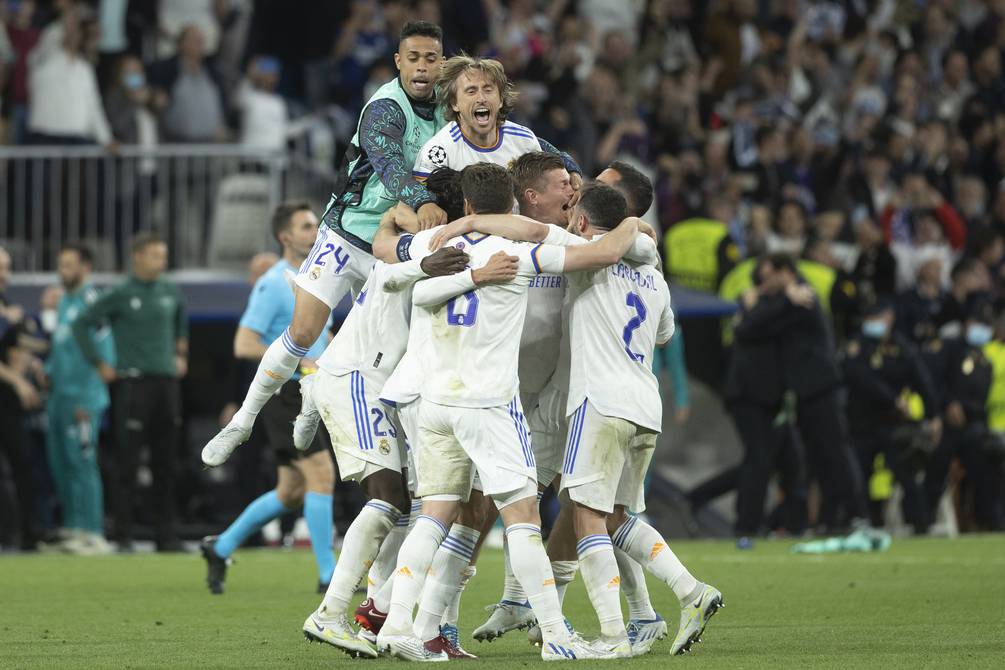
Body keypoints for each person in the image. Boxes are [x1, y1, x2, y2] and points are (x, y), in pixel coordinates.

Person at [374, 167, 641, 662]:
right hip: (490, 403)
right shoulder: (518, 255)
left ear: (468, 208)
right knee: (522, 518)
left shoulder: (437, 246)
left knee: (433, 517)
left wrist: (441, 260)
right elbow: (595, 254)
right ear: (512, 207)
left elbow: (394, 276)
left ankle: (395, 626)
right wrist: (633, 225)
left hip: (435, 403)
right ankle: (557, 634)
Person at [201, 20, 449, 468]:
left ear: (442, 62)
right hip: (344, 231)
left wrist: (560, 161)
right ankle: (243, 419)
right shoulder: (385, 107)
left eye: (431, 58)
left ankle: (317, 391)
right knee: (301, 333)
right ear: (398, 62)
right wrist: (424, 200)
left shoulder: (450, 108)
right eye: (413, 58)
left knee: (384, 353)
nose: (422, 67)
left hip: (389, 247)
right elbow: (390, 166)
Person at [298, 206, 473, 658]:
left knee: (409, 502)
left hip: (384, 385)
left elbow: (390, 228)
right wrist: (423, 261)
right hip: (357, 376)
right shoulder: (418, 250)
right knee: (389, 497)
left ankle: (375, 610)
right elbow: (392, 273)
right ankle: (330, 613)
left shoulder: (417, 241)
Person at [559, 184, 722, 657]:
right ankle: (692, 592)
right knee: (617, 517)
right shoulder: (654, 275)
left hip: (599, 401)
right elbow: (667, 334)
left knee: (585, 515)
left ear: (585, 223)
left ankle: (612, 636)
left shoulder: (586, 254)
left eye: (575, 217)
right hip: (645, 408)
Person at [200, 203, 336, 595]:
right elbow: (243, 343)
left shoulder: (316, 276)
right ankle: (329, 575)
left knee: (291, 491)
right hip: (285, 392)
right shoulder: (273, 282)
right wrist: (300, 358)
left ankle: (220, 546)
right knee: (322, 476)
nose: (315, 230)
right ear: (285, 237)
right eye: (306, 226)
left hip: (310, 389)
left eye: (316, 224)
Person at [72, 234, 188, 552]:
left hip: (166, 384)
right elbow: (82, 324)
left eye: (163, 256)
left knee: (166, 462)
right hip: (133, 384)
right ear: (137, 257)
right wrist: (99, 363)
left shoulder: (169, 290)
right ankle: (123, 534)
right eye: (155, 256)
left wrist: (181, 353)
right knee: (128, 462)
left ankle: (167, 535)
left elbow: (181, 322)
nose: (161, 262)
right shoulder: (121, 293)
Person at [843, 299, 941, 532]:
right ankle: (859, 521)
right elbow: (861, 378)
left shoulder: (901, 347)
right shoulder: (857, 346)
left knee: (906, 473)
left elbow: (922, 380)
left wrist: (934, 414)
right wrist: (893, 399)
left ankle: (919, 524)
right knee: (858, 474)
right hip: (862, 423)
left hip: (893, 424)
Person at [44, 244, 115, 555]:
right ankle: (74, 526)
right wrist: (46, 370)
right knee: (62, 463)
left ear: (86, 268)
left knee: (83, 462)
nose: (63, 271)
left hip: (82, 398)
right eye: (60, 264)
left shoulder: (91, 302)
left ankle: (93, 531)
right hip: (59, 396)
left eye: (69, 265)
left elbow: (106, 356)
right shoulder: (64, 303)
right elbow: (62, 347)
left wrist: (88, 397)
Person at [411, 54, 581, 183]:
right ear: (454, 103)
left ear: (500, 99)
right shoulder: (439, 152)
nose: (481, 98)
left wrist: (571, 170)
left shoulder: (524, 140)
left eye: (488, 90)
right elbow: (422, 210)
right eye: (471, 91)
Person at [0, 246, 42, 551]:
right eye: (0, 268)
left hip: (8, 402)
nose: (5, 275)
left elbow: (21, 345)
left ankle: (27, 534)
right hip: (8, 392)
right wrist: (18, 380)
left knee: (23, 463)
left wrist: (34, 361)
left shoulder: (7, 307)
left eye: (7, 267)